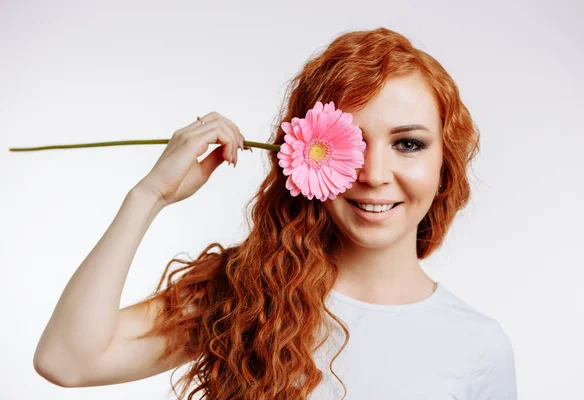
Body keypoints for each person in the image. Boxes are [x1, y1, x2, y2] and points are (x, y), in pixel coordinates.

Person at [33, 27, 517, 399]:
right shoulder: (246, 292)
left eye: (408, 143)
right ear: (305, 153)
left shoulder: (478, 346)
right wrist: (148, 196)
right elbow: (66, 359)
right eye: (349, 143)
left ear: (443, 165)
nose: (373, 172)